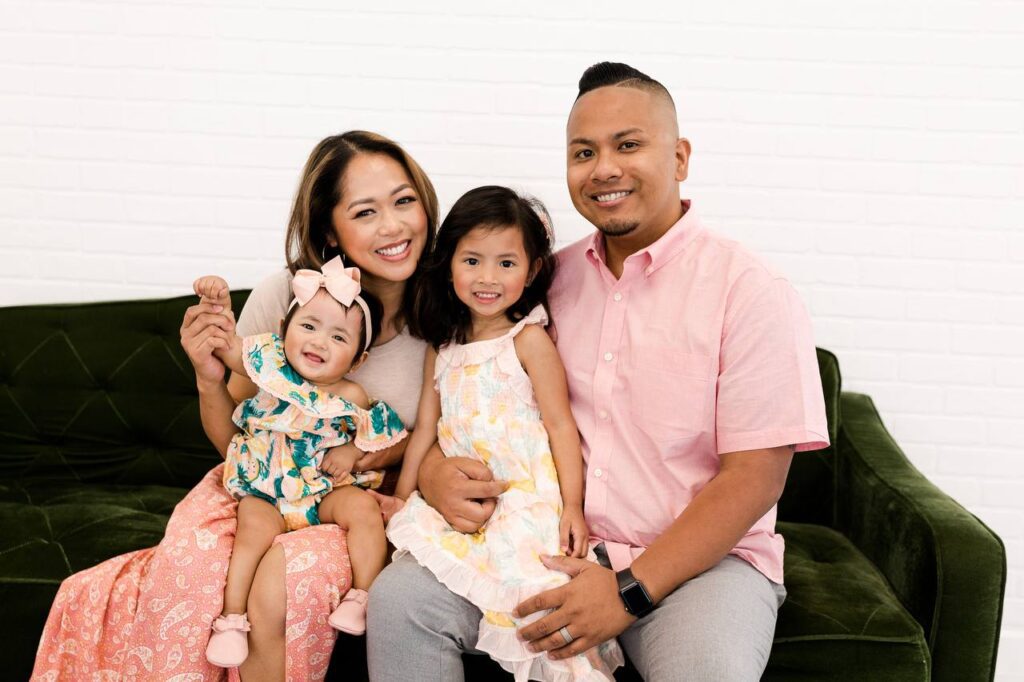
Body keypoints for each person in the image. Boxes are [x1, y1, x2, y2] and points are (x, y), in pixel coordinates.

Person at [367, 63, 829, 681]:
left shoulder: (749, 290)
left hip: (698, 567)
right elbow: (475, 391)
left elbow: (755, 479)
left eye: (628, 145)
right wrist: (431, 471)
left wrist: (628, 590)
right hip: (539, 540)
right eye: (584, 152)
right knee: (402, 600)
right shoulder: (542, 282)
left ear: (680, 158)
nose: (604, 168)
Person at [33, 131, 441, 682]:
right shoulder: (284, 296)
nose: (393, 226)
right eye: (365, 211)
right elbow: (238, 438)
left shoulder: (451, 308)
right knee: (188, 577)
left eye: (404, 200)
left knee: (279, 585)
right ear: (329, 229)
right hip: (267, 482)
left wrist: (374, 459)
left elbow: (446, 435)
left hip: (360, 500)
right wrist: (209, 381)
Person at [380, 186, 623, 681]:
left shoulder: (528, 340)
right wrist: (402, 498)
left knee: (532, 598)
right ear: (449, 264)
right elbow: (426, 429)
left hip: (522, 497)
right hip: (461, 505)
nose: (487, 278)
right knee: (424, 572)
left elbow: (560, 426)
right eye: (472, 260)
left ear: (531, 271)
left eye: (506, 264)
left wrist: (573, 507)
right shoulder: (442, 347)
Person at [193, 262, 407, 667]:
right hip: (266, 489)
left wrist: (352, 453)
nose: (319, 342)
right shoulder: (270, 367)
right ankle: (232, 619)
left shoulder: (352, 395)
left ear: (357, 359)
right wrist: (217, 305)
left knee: (362, 509)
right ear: (282, 329)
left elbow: (384, 436)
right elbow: (227, 347)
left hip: (322, 491)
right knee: (251, 529)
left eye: (338, 336)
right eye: (308, 326)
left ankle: (362, 597)